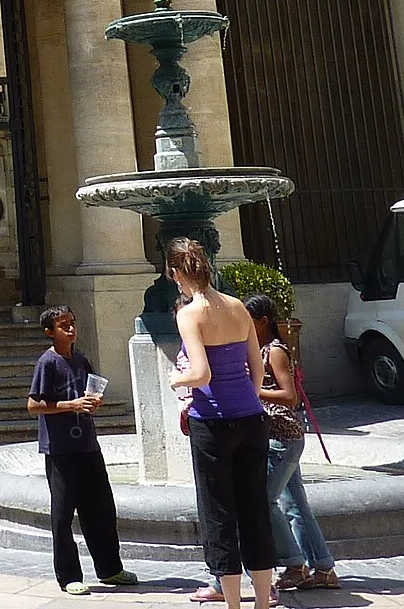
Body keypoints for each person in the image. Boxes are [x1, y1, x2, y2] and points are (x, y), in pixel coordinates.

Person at [165, 240, 275, 609]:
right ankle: (262, 602)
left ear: (177, 274)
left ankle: (233, 605)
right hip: (251, 418)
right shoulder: (238, 306)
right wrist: (247, 398)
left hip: (212, 423)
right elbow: (256, 369)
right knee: (255, 510)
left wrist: (174, 380)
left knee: (219, 514)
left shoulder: (189, 313)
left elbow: (199, 372)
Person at [25, 306, 136, 596]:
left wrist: (91, 402)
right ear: (50, 332)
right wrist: (68, 406)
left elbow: (88, 393)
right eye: (63, 326)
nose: (71, 330)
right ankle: (69, 575)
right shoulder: (46, 363)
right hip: (60, 449)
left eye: (72, 324)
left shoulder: (80, 360)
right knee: (62, 515)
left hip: (87, 444)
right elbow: (33, 405)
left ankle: (110, 568)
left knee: (101, 509)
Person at [246, 296, 339, 592]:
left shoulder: (274, 351)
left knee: (263, 500)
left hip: (281, 437)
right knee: (295, 503)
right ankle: (323, 567)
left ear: (262, 321)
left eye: (249, 320)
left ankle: (294, 563)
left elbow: (289, 396)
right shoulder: (259, 349)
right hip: (279, 437)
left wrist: (253, 391)